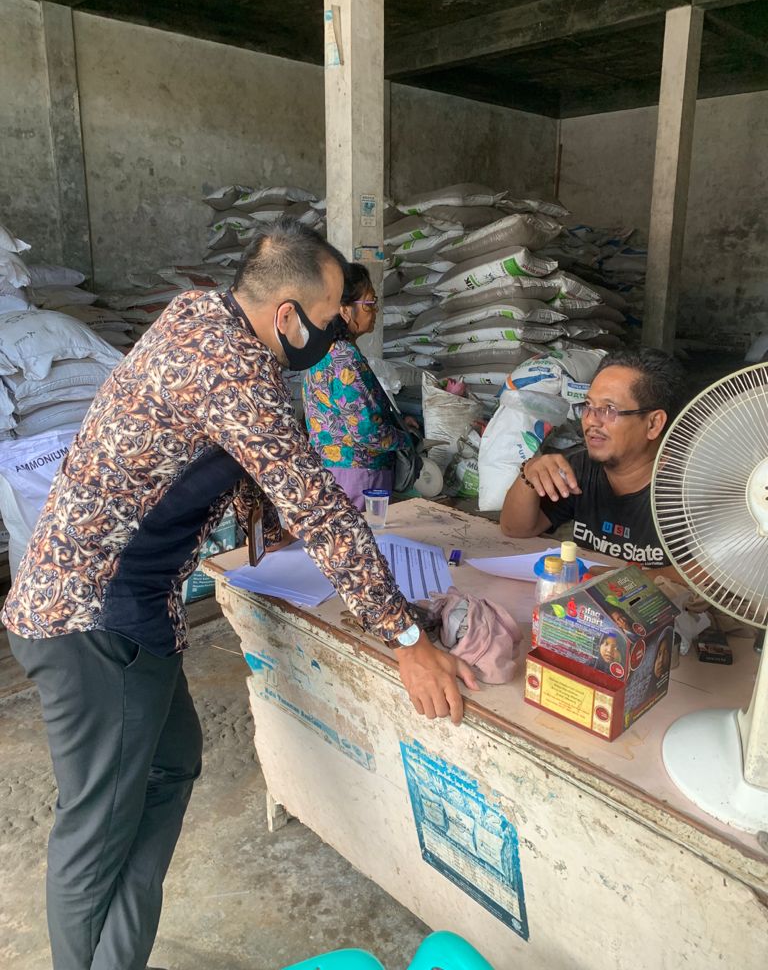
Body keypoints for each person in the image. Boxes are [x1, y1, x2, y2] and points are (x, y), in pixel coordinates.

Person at [2, 219, 477, 970]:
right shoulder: (235, 370)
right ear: (287, 315)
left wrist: (263, 518)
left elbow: (221, 449)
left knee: (170, 766)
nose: (336, 335)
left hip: (118, 609)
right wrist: (407, 638)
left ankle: (114, 955)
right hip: (92, 621)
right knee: (96, 830)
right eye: (329, 320)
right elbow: (320, 505)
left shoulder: (201, 315)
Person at [500, 347, 686, 573]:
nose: (590, 421)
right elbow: (516, 529)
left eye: (609, 409)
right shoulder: (580, 469)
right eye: (588, 406)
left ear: (653, 424)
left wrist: (620, 580)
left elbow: (709, 574)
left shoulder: (689, 488)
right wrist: (529, 473)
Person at [302, 262, 411, 509]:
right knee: (364, 532)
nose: (375, 310)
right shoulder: (344, 357)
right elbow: (367, 432)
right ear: (344, 310)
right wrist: (406, 440)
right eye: (369, 303)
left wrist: (395, 422)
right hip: (360, 476)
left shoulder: (322, 352)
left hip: (334, 473)